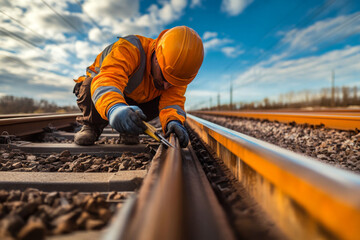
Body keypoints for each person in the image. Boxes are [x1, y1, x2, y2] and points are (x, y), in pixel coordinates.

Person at [73, 26, 204, 148]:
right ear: (157, 58)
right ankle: (91, 126)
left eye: (173, 82)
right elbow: (107, 80)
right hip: (101, 90)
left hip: (136, 101)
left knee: (162, 100)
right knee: (89, 85)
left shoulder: (178, 74)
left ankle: (130, 129)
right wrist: (114, 108)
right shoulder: (130, 48)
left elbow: (172, 103)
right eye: (164, 77)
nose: (166, 85)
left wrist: (173, 121)